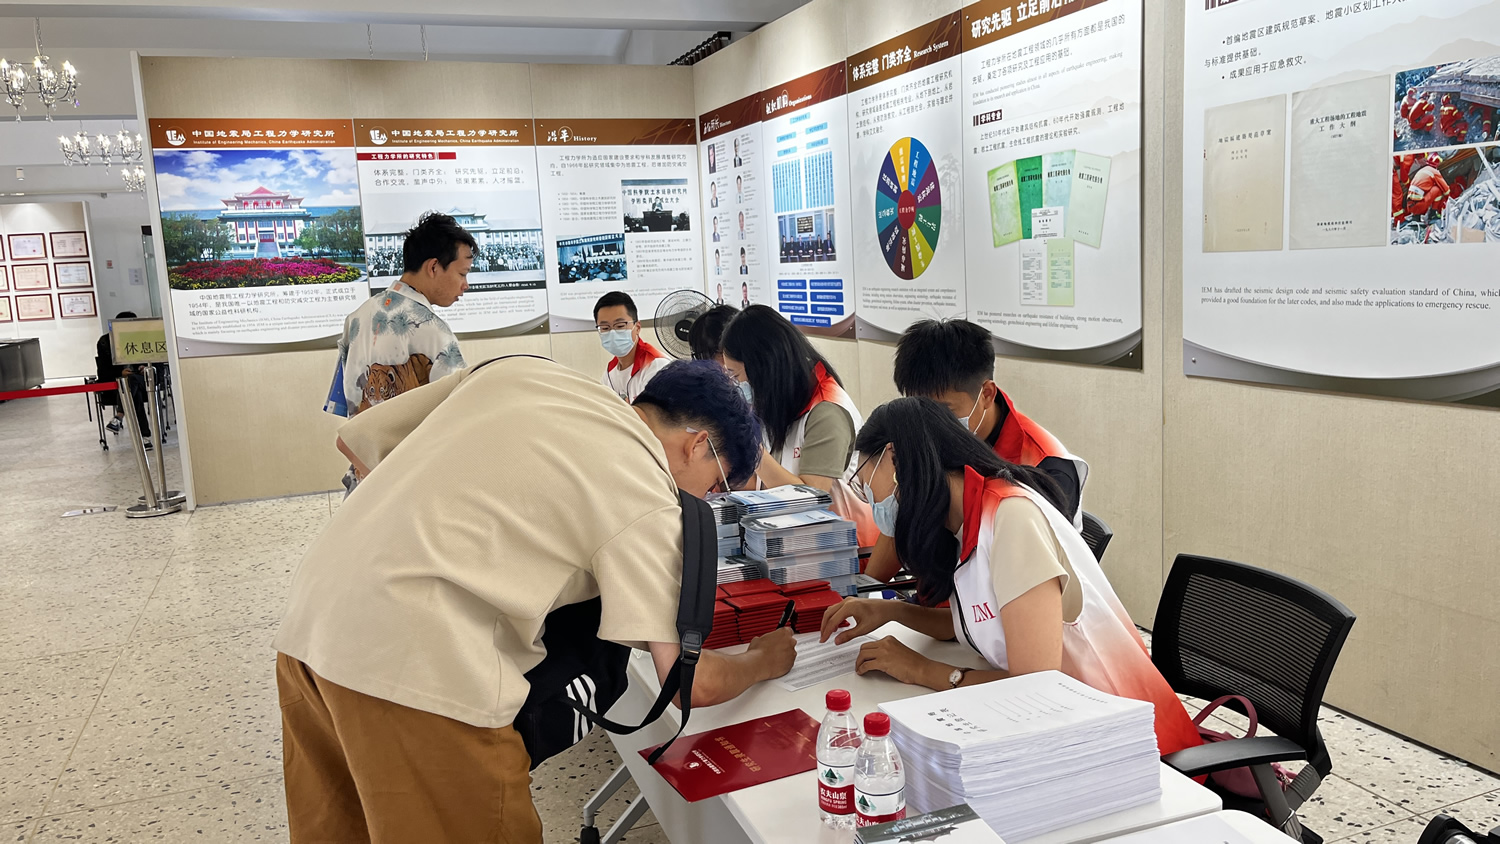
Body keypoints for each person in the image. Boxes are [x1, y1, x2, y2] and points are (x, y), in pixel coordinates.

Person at [275, 358, 796, 843]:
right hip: (420, 667)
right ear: (698, 445)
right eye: (715, 484)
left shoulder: (527, 371)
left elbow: (358, 445)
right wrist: (761, 660)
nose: (704, 499)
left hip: (310, 625)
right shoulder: (648, 491)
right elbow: (686, 683)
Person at [821, 398, 1200, 758]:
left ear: (894, 457)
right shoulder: (959, 521)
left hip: (1130, 740)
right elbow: (973, 622)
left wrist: (920, 669)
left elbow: (1035, 685)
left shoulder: (1010, 518)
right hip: (1060, 724)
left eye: (865, 482)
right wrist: (890, 613)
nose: (871, 499)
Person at [868, 319, 1088, 581]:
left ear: (986, 394)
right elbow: (904, 518)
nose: (930, 425)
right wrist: (865, 590)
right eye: (921, 411)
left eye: (944, 411)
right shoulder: (927, 438)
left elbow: (1030, 571)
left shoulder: (1044, 464)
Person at [324, 212, 471, 494]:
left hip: (365, 482)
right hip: (412, 484)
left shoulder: (356, 319)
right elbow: (458, 417)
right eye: (462, 273)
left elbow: (345, 409)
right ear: (433, 267)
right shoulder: (433, 330)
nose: (466, 285)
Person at [720, 304, 861, 492]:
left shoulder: (827, 411)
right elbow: (765, 480)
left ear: (763, 369)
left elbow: (812, 497)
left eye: (736, 376)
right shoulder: (780, 401)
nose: (737, 385)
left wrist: (753, 449)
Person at [596, 290, 670, 404]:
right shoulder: (610, 371)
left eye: (620, 326)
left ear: (637, 327)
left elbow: (654, 414)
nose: (612, 333)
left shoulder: (656, 365)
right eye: (605, 328)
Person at [96, 311, 152, 449]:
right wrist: (119, 372)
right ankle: (144, 437)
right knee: (134, 392)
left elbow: (157, 362)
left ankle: (119, 416)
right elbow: (103, 370)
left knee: (131, 381)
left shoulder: (144, 338)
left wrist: (144, 367)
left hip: (143, 380)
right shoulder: (105, 342)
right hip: (117, 382)